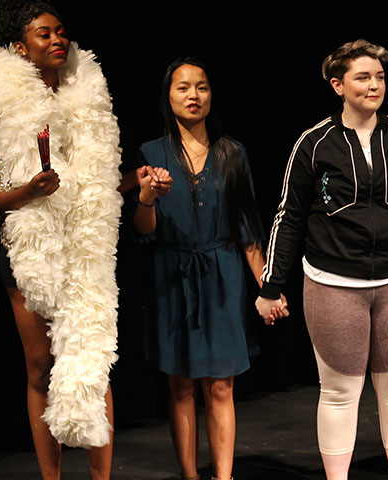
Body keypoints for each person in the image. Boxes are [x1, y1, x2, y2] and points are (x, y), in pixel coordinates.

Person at [254, 39, 388, 480]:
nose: (374, 85)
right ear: (337, 85)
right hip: (333, 283)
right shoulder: (313, 144)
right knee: (337, 393)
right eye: (363, 77)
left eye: (380, 77)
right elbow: (288, 217)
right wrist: (271, 287)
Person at [0, 1, 121, 477]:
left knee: (92, 360)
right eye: (43, 34)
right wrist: (27, 192)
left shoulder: (90, 104)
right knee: (40, 366)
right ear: (20, 47)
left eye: (61, 32)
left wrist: (138, 183)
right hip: (29, 250)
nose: (58, 40)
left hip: (85, 246)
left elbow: (102, 185)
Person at [132, 57, 272, 480]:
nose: (194, 95)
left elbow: (248, 230)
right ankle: (190, 476)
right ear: (168, 96)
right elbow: (143, 232)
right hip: (171, 279)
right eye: (183, 87)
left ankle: (223, 476)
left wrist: (268, 286)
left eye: (202, 87)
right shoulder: (151, 154)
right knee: (180, 385)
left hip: (224, 274)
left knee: (221, 384)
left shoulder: (233, 154)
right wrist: (147, 198)